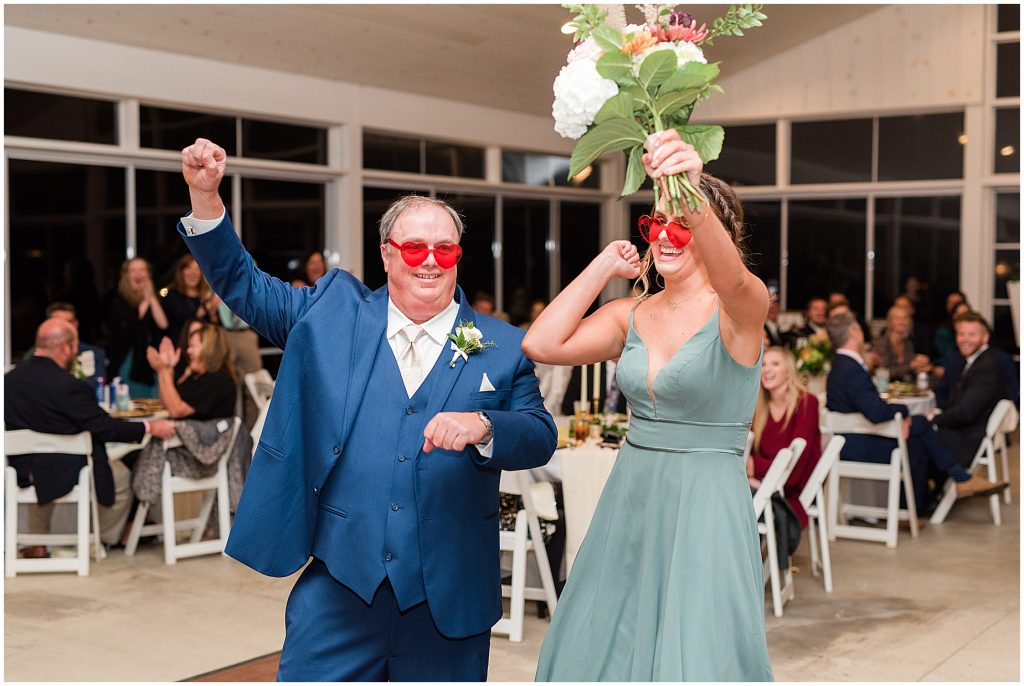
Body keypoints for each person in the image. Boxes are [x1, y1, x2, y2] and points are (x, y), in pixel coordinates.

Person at [177, 138, 556, 681]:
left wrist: (486, 425)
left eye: (444, 250)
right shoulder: (331, 314)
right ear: (386, 253)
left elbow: (540, 434)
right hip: (340, 588)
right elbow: (243, 283)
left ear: (458, 257)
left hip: (446, 600)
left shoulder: (502, 344)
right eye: (414, 248)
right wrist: (205, 197)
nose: (429, 261)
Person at [526, 129, 773, 680]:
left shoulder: (739, 313)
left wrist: (691, 194)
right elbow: (542, 345)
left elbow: (734, 278)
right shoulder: (631, 314)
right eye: (655, 222)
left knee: (698, 644)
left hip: (705, 498)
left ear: (715, 230)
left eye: (679, 223)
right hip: (633, 490)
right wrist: (602, 269)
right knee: (604, 632)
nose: (665, 235)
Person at [5, 318, 176, 557]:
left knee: (44, 465)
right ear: (65, 347)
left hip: (22, 470)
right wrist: (150, 426)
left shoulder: (9, 381)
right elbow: (105, 428)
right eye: (75, 346)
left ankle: (37, 540)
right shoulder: (69, 386)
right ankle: (100, 538)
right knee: (122, 476)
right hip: (66, 470)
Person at [824, 312, 1006, 515]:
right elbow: (876, 412)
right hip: (857, 444)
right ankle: (948, 485)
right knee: (918, 429)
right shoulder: (850, 368)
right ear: (854, 332)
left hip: (855, 439)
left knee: (917, 436)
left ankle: (916, 506)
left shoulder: (842, 365)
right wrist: (903, 411)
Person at [748, 347, 822, 529]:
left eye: (775, 364)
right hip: (766, 486)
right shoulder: (759, 408)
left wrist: (754, 466)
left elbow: (794, 472)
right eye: (763, 364)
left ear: (789, 370)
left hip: (789, 495)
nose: (767, 369)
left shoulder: (807, 404)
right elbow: (744, 452)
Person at [929, 312, 1010, 468]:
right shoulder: (973, 361)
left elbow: (965, 413)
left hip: (969, 441)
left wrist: (935, 419)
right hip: (966, 434)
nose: (965, 339)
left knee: (917, 437)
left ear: (985, 338)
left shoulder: (986, 367)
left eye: (972, 334)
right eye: (961, 334)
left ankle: (954, 482)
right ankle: (938, 490)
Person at [106, 257, 169, 399]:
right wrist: (146, 299)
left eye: (142, 270)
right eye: (133, 270)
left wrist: (151, 297)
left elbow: (163, 324)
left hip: (150, 355)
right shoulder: (119, 299)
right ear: (127, 274)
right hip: (128, 357)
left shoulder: (155, 297)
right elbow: (131, 323)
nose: (138, 274)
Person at [146, 323, 238, 421]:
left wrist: (162, 369)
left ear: (207, 349)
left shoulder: (217, 381)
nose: (188, 351)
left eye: (192, 346)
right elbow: (166, 402)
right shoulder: (197, 376)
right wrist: (167, 369)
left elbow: (177, 411)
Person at [161, 253, 215, 344]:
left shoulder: (205, 296)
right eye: (188, 268)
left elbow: (215, 327)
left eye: (197, 269)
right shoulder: (171, 295)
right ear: (181, 272)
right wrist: (201, 312)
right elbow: (183, 322)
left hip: (205, 348)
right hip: (179, 347)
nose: (193, 272)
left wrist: (213, 313)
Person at [871, 305, 932, 382]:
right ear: (890, 321)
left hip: (906, 388)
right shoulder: (882, 343)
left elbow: (909, 370)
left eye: (905, 318)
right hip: (886, 388)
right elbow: (884, 373)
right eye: (897, 318)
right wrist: (911, 366)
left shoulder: (908, 343)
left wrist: (920, 367)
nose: (901, 321)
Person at [932, 292, 968, 362]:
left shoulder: (976, 329)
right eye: (951, 303)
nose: (963, 317)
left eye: (965, 314)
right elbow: (949, 355)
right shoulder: (943, 331)